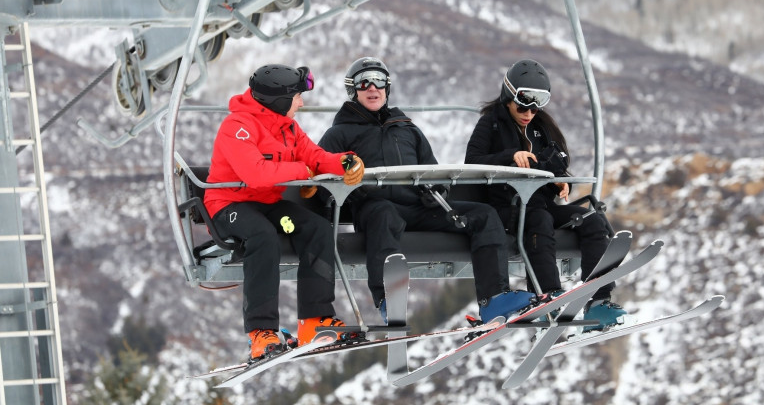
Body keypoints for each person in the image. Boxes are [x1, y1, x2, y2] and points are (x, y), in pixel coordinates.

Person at [317, 56, 535, 324]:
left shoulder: (407, 129)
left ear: (388, 88)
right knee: (384, 213)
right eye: (364, 83)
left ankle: (494, 299)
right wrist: (356, 193)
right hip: (376, 211)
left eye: (379, 82)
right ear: (353, 90)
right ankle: (389, 298)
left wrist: (438, 193)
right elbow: (322, 179)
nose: (373, 88)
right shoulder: (339, 134)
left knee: (484, 215)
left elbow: (432, 168)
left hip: (418, 208)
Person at [203, 64, 366, 361]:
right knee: (263, 237)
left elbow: (315, 157)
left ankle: (314, 321)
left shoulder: (287, 127)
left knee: (317, 228)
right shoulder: (237, 127)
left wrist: (345, 162)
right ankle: (261, 333)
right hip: (228, 206)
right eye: (296, 97)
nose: (301, 103)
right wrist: (300, 171)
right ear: (279, 100)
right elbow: (255, 173)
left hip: (267, 204)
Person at [464, 59, 628, 331]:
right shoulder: (491, 124)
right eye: (523, 104)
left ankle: (598, 300)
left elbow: (555, 164)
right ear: (508, 95)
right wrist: (509, 157)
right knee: (538, 220)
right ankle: (548, 297)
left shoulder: (541, 128)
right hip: (506, 208)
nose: (529, 112)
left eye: (536, 105)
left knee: (592, 220)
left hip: (539, 203)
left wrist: (561, 184)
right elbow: (473, 162)